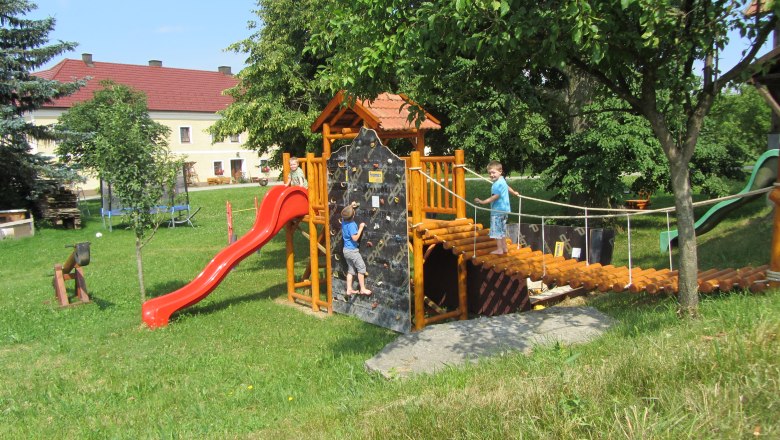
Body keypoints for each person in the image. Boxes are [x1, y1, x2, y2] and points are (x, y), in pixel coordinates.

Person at [474, 160, 512, 255]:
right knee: (502, 230)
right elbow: (507, 187)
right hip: (505, 210)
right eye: (490, 173)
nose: (491, 175)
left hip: (497, 211)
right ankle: (504, 248)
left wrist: (483, 202)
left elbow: (495, 196)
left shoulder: (496, 185)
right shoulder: (502, 180)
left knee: (497, 232)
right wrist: (514, 192)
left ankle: (499, 249)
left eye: (493, 172)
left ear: (500, 171)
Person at [341, 204, 372, 296]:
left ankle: (349, 289)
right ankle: (362, 289)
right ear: (353, 216)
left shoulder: (343, 221)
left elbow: (344, 213)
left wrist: (350, 205)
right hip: (352, 251)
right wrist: (361, 228)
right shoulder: (352, 225)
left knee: (351, 270)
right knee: (361, 268)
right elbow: (355, 238)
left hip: (346, 250)